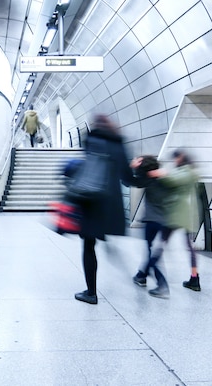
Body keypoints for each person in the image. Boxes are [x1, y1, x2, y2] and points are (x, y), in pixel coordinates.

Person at [73, 114, 137, 305]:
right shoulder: (119, 143)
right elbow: (127, 178)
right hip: (111, 204)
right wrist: (146, 178)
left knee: (88, 246)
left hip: (91, 201)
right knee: (100, 237)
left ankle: (91, 292)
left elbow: (87, 171)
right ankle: (109, 246)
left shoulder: (90, 140)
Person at [149, 149, 201, 291]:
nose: (175, 161)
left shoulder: (187, 172)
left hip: (177, 213)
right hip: (183, 213)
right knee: (188, 246)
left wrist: (161, 174)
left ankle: (148, 270)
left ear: (181, 157)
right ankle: (194, 278)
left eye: (176, 158)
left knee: (161, 243)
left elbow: (173, 180)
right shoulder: (187, 171)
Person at [130, 155, 172, 298]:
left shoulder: (147, 180)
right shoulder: (165, 178)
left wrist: (133, 167)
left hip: (152, 220)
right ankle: (141, 275)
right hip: (167, 221)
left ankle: (162, 285)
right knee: (154, 251)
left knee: (151, 253)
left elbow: (129, 181)